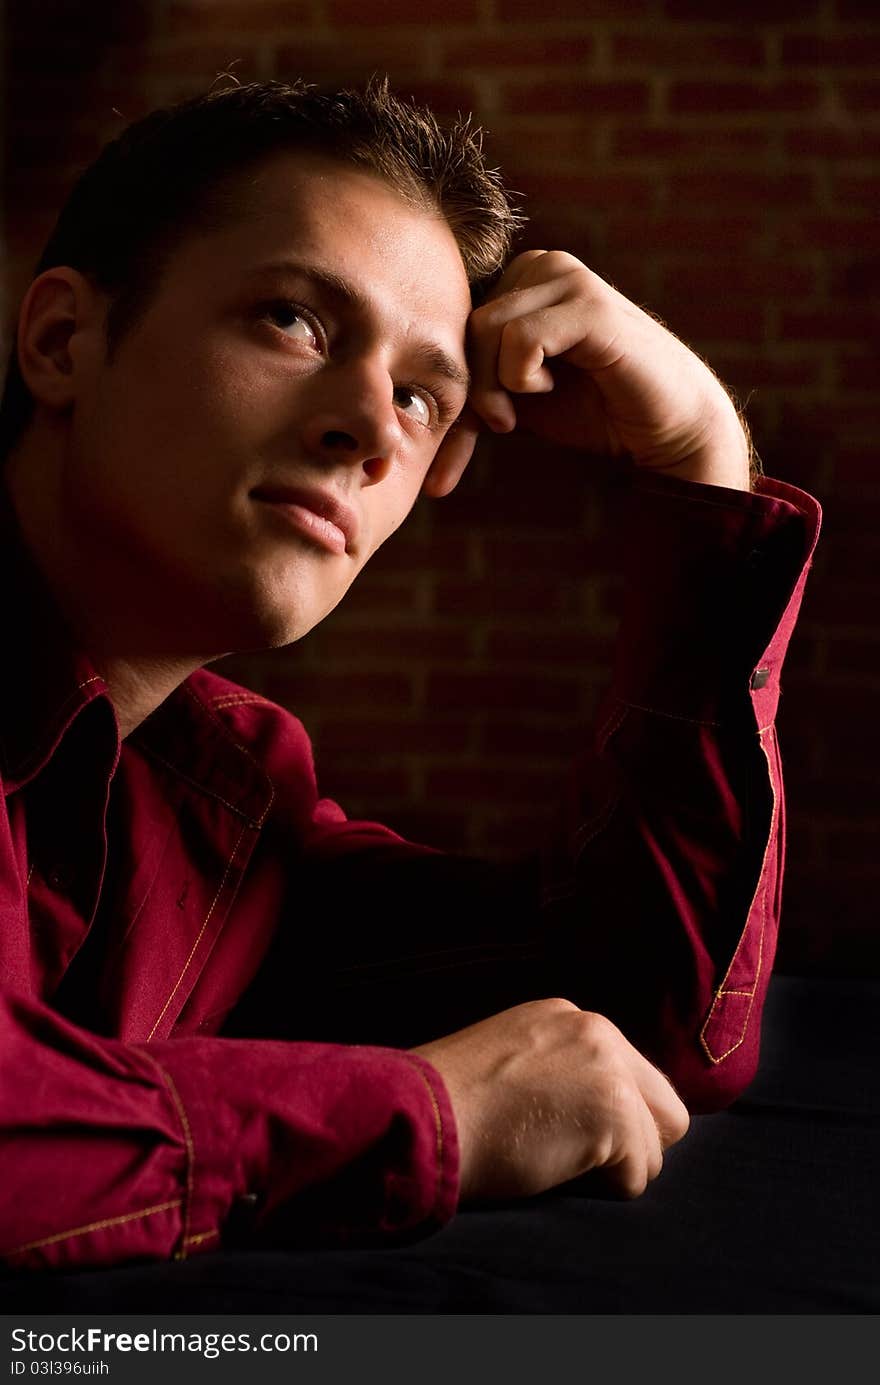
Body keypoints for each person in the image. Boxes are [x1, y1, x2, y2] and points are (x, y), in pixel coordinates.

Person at [0, 78, 820, 1273]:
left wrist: (701, 463)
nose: (371, 428)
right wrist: (429, 1112)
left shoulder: (223, 794)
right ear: (64, 341)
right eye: (292, 320)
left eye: (421, 394)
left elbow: (650, 1030)